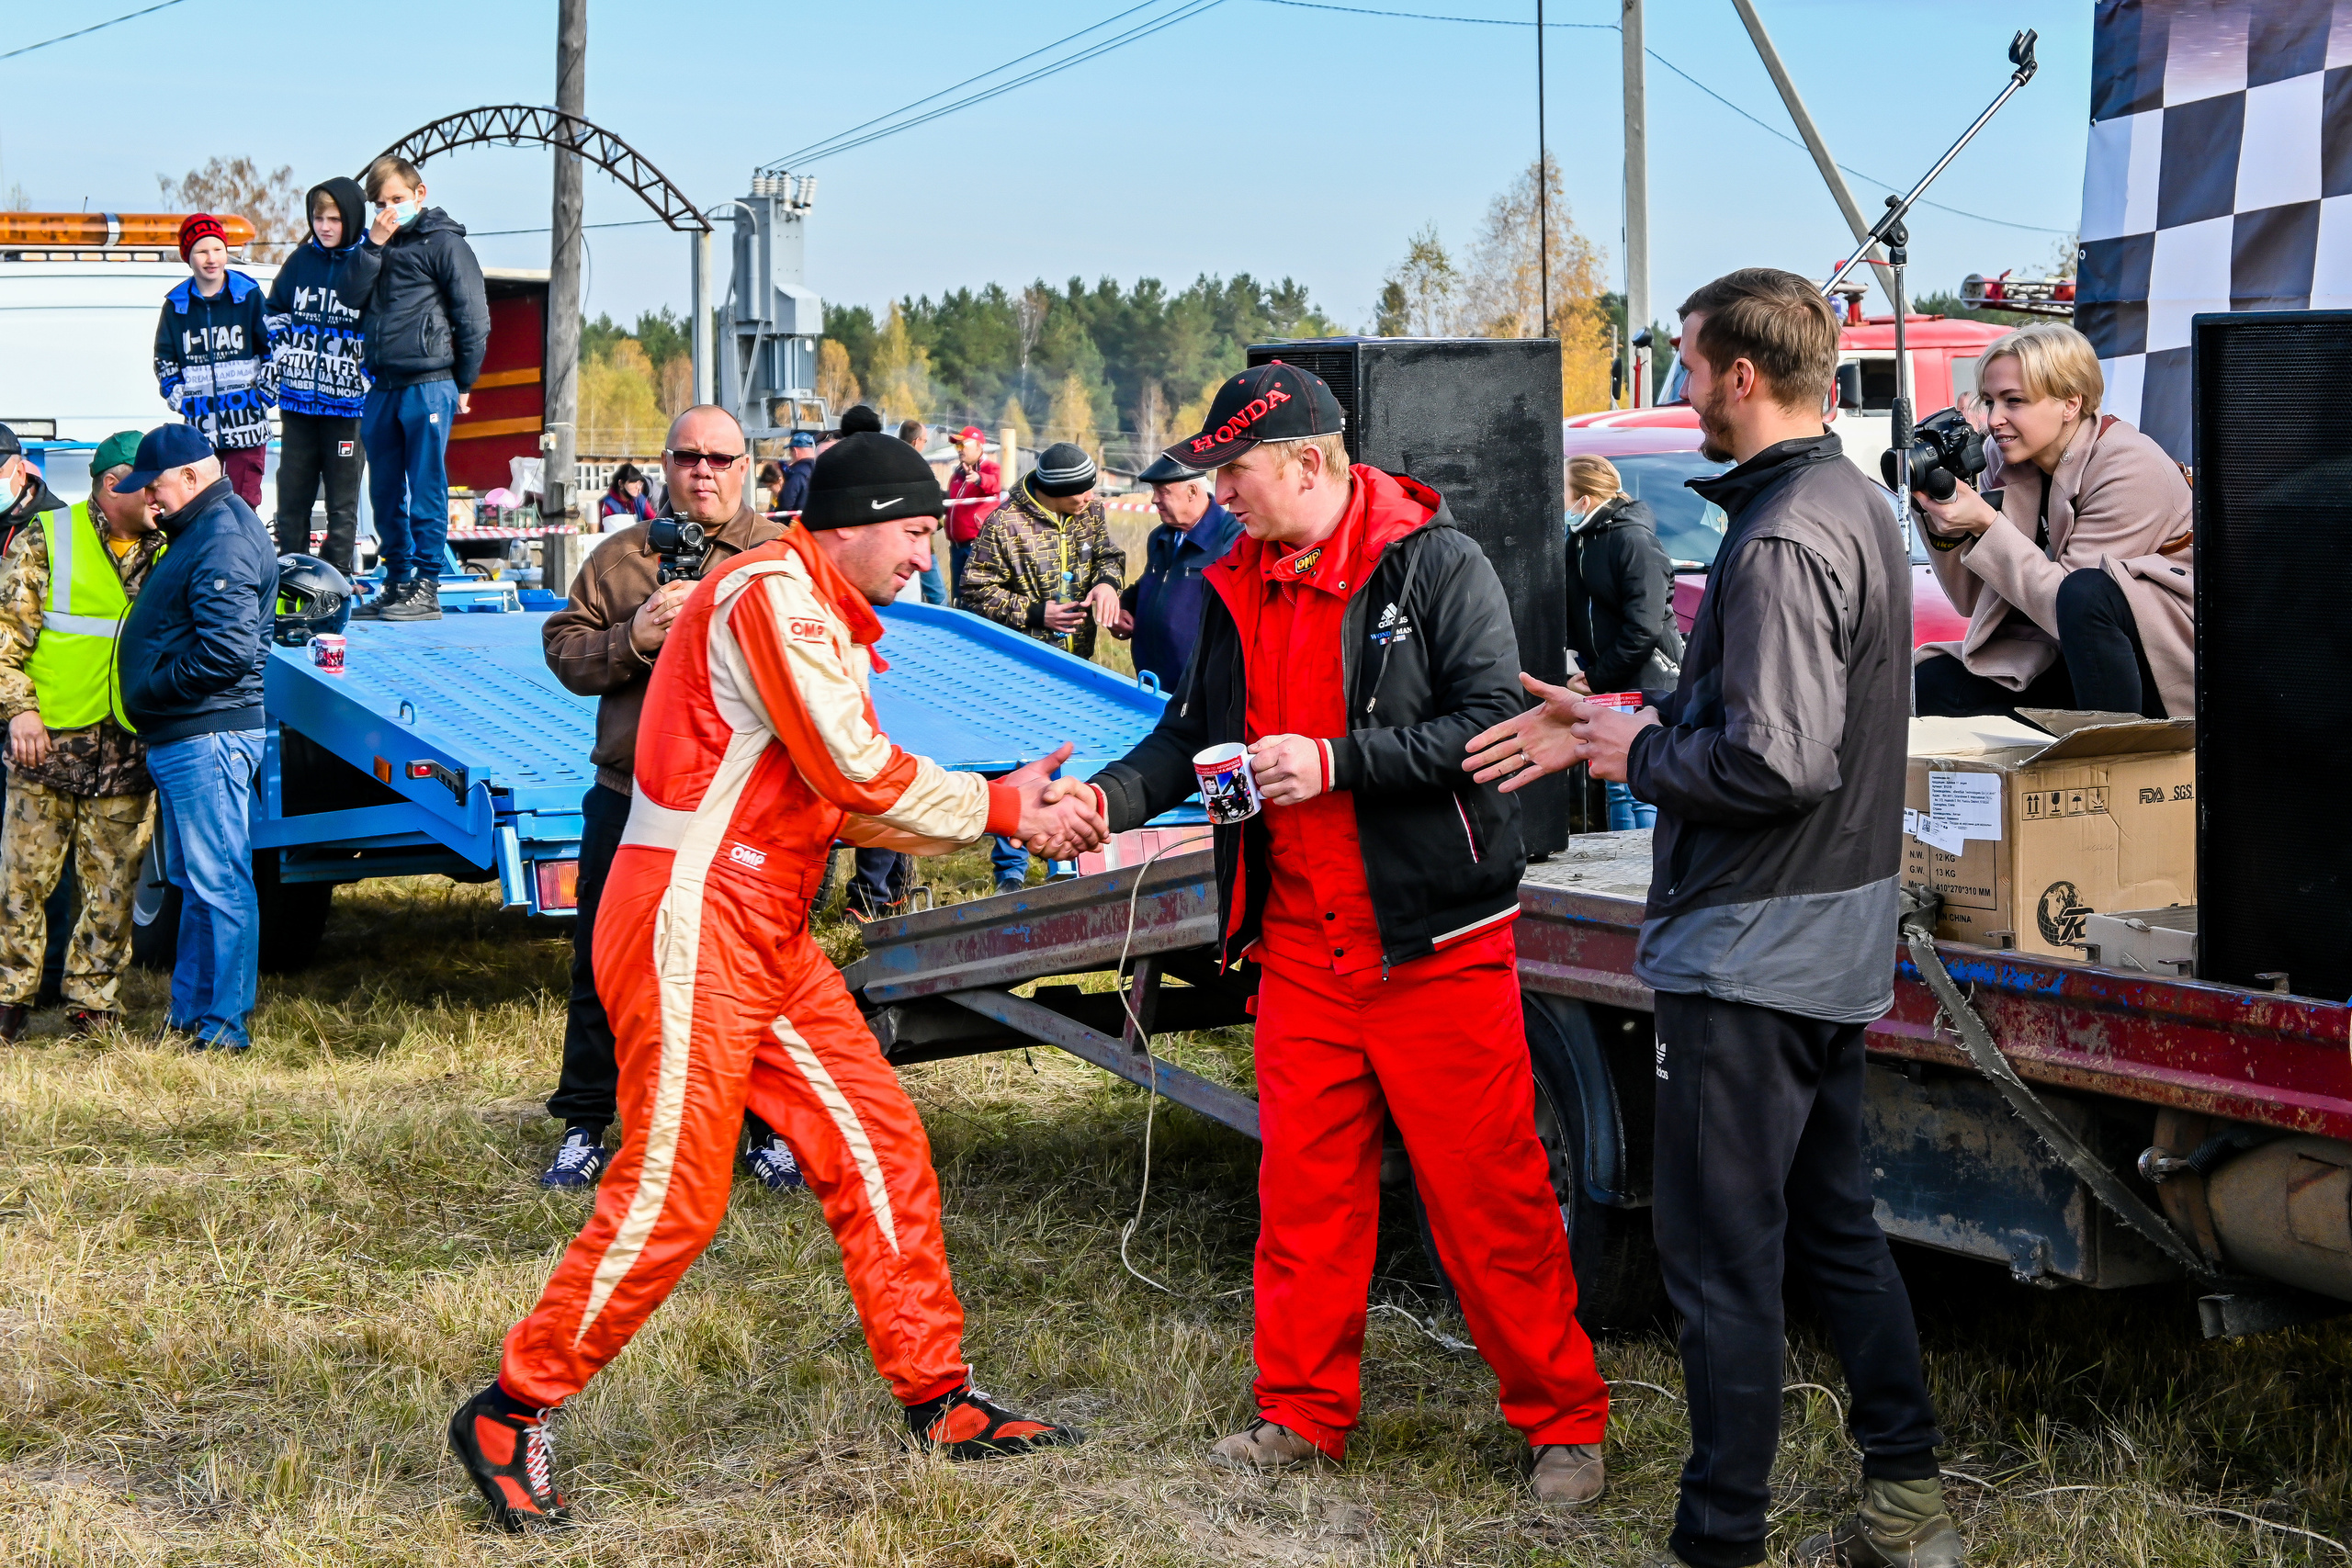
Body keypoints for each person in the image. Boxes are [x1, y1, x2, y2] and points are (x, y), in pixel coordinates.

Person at [448, 431, 1107, 1531]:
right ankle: (513, 1408)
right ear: (852, 523)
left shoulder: (813, 607)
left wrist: (1004, 805)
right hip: (695, 917)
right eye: (911, 534)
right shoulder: (775, 598)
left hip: (760, 921)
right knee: (672, 1193)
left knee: (875, 1139)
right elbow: (855, 773)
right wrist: (1002, 809)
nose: (924, 556)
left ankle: (938, 1397)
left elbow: (838, 798)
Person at [1464, 268, 1962, 1568]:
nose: (1682, 390)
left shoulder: (1788, 530)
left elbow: (1779, 762)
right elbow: (1778, 729)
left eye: (1687, 364)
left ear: (1745, 373)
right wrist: (1637, 721)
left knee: (1718, 1259)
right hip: (1822, 931)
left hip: (1752, 945)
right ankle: (1906, 1503)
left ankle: (1718, 1538)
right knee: (1834, 1224)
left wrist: (1632, 756)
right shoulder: (1851, 499)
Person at [1078, 364, 1611, 1510]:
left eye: (1235, 473)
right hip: (1297, 952)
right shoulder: (1236, 579)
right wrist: (1104, 801)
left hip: (1433, 946)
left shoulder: (1435, 560)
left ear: (1307, 464)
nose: (1220, 495)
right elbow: (1187, 738)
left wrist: (1335, 763)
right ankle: (1300, 1415)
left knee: (1491, 1200)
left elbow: (1486, 725)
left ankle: (1565, 1422)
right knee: (1306, 1198)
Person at [537, 407, 794, 1191]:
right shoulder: (622, 558)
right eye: (690, 457)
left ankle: (765, 1127)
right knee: (604, 964)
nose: (704, 472)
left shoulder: (780, 557)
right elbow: (562, 647)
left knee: (751, 968)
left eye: (721, 458)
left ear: (746, 466)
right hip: (630, 797)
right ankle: (584, 1125)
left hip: (743, 804)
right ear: (666, 463)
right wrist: (636, 639)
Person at [1911, 322, 2192, 722]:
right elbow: (1970, 600)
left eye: (2015, 401)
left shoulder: (2131, 466)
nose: (1994, 420)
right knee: (1934, 684)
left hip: (2161, 668)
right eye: (1989, 401)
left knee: (2085, 592)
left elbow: (2073, 609)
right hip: (2062, 656)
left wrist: (1986, 524)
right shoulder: (2004, 457)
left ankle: (2118, 761)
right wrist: (1940, 516)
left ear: (2070, 404)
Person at [114, 424, 278, 1054]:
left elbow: (228, 652)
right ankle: (190, 1014)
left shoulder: (223, 537)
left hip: (205, 734)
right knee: (196, 881)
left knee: (220, 880)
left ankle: (224, 1026)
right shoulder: (203, 528)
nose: (150, 500)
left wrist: (153, 689)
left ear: (190, 475)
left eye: (155, 486)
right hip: (191, 734)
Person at [0, 431, 165, 1041]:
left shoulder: (172, 546)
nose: (157, 491)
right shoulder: (50, 537)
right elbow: (4, 639)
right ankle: (9, 998)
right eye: (145, 480)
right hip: (44, 748)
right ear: (110, 483)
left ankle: (93, 1004)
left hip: (127, 751)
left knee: (114, 886)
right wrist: (19, 712)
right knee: (21, 883)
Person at [958, 441, 1125, 893]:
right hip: (1019, 670)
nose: (1091, 498)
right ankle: (1010, 869)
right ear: (1055, 492)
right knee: (1021, 766)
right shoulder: (1004, 525)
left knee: (1069, 760)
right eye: (1081, 492)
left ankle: (1067, 864)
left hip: (1075, 666)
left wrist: (1109, 585)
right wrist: (1036, 614)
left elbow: (1108, 556)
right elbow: (972, 594)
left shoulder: (1090, 512)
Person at [341, 154, 491, 624]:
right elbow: (348, 296)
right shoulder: (375, 245)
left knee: (425, 485)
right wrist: (373, 244)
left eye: (398, 200)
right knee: (384, 490)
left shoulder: (445, 244)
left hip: (430, 381)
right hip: (382, 384)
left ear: (419, 195)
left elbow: (474, 317)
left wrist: (464, 381)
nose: (389, 210)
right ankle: (395, 580)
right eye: (381, 203)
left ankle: (427, 586)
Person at [1565, 454, 1682, 831]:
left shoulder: (1633, 542)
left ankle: (1647, 870)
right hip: (1608, 678)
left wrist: (1596, 677)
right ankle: (1622, 865)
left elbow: (1643, 629)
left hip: (1646, 680)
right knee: (1616, 786)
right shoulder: (1579, 541)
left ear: (1584, 498)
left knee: (1639, 784)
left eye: (1563, 492)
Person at [266, 178, 371, 572]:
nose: (324, 226)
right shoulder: (299, 261)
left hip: (347, 407)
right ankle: (290, 573)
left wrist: (364, 372)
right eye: (317, 218)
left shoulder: (368, 262)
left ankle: (337, 576)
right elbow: (273, 311)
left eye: (334, 219)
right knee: (292, 496)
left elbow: (380, 323)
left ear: (352, 218)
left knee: (343, 502)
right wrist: (284, 355)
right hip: (297, 404)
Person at [153, 214, 285, 510]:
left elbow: (275, 349)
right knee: (200, 506)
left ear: (227, 252)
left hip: (246, 425)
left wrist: (263, 396)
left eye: (217, 249)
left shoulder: (248, 296)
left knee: (243, 504)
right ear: (189, 257)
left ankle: (244, 556)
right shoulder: (176, 306)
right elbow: (165, 360)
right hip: (200, 432)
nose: (211, 258)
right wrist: (181, 399)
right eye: (201, 251)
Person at [1114, 452, 1241, 691]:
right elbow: (1153, 583)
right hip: (1150, 681)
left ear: (1192, 492)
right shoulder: (1160, 537)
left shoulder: (1231, 538)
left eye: (1163, 492)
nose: (1154, 500)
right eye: (1154, 491)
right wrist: (1125, 606)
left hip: (1199, 690)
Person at [942, 424, 1001, 591]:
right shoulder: (958, 474)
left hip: (976, 546)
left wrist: (979, 479)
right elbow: (954, 504)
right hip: (956, 546)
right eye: (957, 446)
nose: (959, 449)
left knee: (975, 594)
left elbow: (997, 486)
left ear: (978, 446)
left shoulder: (992, 469)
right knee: (958, 594)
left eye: (963, 445)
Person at [899, 419, 949, 606]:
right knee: (938, 596)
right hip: (922, 543)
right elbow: (930, 501)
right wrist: (939, 523)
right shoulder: (919, 467)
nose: (924, 445)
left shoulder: (889, 463)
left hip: (897, 542)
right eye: (925, 441)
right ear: (916, 441)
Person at [597, 463, 656, 530]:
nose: (637, 487)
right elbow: (603, 529)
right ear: (621, 483)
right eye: (633, 482)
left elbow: (654, 520)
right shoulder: (607, 504)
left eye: (639, 483)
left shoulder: (641, 500)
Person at [776, 430, 817, 514]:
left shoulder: (796, 474)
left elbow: (785, 505)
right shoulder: (821, 470)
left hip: (797, 525)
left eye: (790, 452)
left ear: (795, 451)